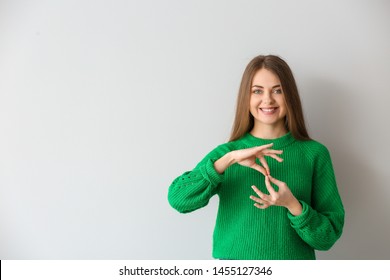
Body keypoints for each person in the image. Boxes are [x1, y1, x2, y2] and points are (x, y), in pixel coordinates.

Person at [167, 55, 345, 260]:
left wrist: (293, 205)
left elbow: (328, 237)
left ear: (290, 96)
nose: (268, 99)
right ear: (246, 97)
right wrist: (229, 160)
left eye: (278, 90)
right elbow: (179, 200)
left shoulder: (314, 154)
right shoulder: (226, 155)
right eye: (257, 91)